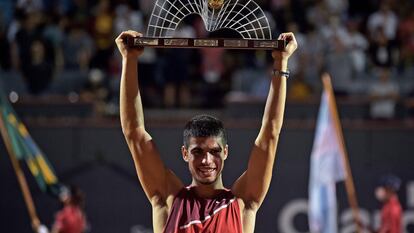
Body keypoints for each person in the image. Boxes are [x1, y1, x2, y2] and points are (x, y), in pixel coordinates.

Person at [115, 30, 297, 232]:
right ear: (185, 153)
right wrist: (129, 60)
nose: (207, 161)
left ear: (225, 152)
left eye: (214, 152)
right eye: (198, 152)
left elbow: (270, 134)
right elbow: (134, 132)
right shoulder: (168, 201)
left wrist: (281, 63)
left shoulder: (242, 203)